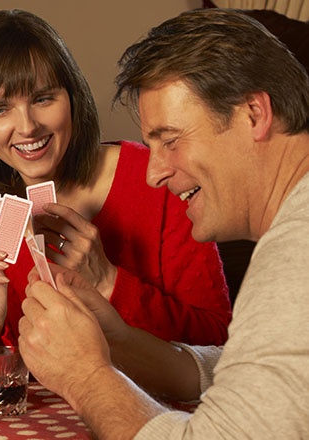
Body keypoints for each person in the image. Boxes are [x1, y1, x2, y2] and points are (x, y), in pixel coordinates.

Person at [19, 8, 309, 438]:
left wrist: (85, 375)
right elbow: (243, 373)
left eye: (170, 141)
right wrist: (118, 341)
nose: (154, 173)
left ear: (254, 113)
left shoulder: (297, 253)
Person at [0, 9, 232, 385]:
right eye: (0, 109)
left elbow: (220, 348)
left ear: (72, 96)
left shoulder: (158, 178)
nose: (28, 126)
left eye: (44, 99)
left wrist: (108, 281)